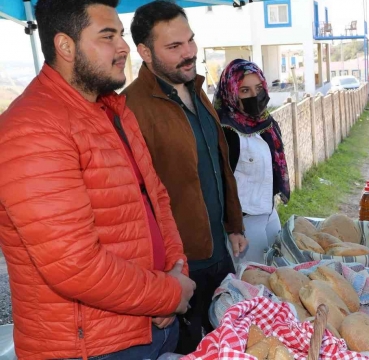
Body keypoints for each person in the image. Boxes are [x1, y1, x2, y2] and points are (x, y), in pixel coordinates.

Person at [0, 0, 196, 358]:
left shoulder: (112, 110)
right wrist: (168, 293)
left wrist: (175, 270)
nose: (123, 47)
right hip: (95, 347)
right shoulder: (33, 129)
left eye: (120, 34)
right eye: (108, 36)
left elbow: (156, 199)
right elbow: (75, 266)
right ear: (65, 46)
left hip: (151, 323)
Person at [123, 2, 247, 354]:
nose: (189, 52)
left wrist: (233, 223)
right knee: (195, 349)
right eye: (174, 47)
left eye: (190, 41)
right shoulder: (130, 108)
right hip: (179, 268)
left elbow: (217, 161)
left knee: (230, 342)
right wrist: (160, 280)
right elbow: (134, 204)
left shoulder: (195, 88)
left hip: (218, 250)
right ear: (145, 52)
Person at [213, 59, 291, 264]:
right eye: (244, 91)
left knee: (277, 274)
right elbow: (220, 185)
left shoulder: (266, 124)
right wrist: (233, 228)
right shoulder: (226, 131)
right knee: (253, 283)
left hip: (270, 214)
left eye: (258, 88)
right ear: (231, 93)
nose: (255, 96)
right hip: (245, 225)